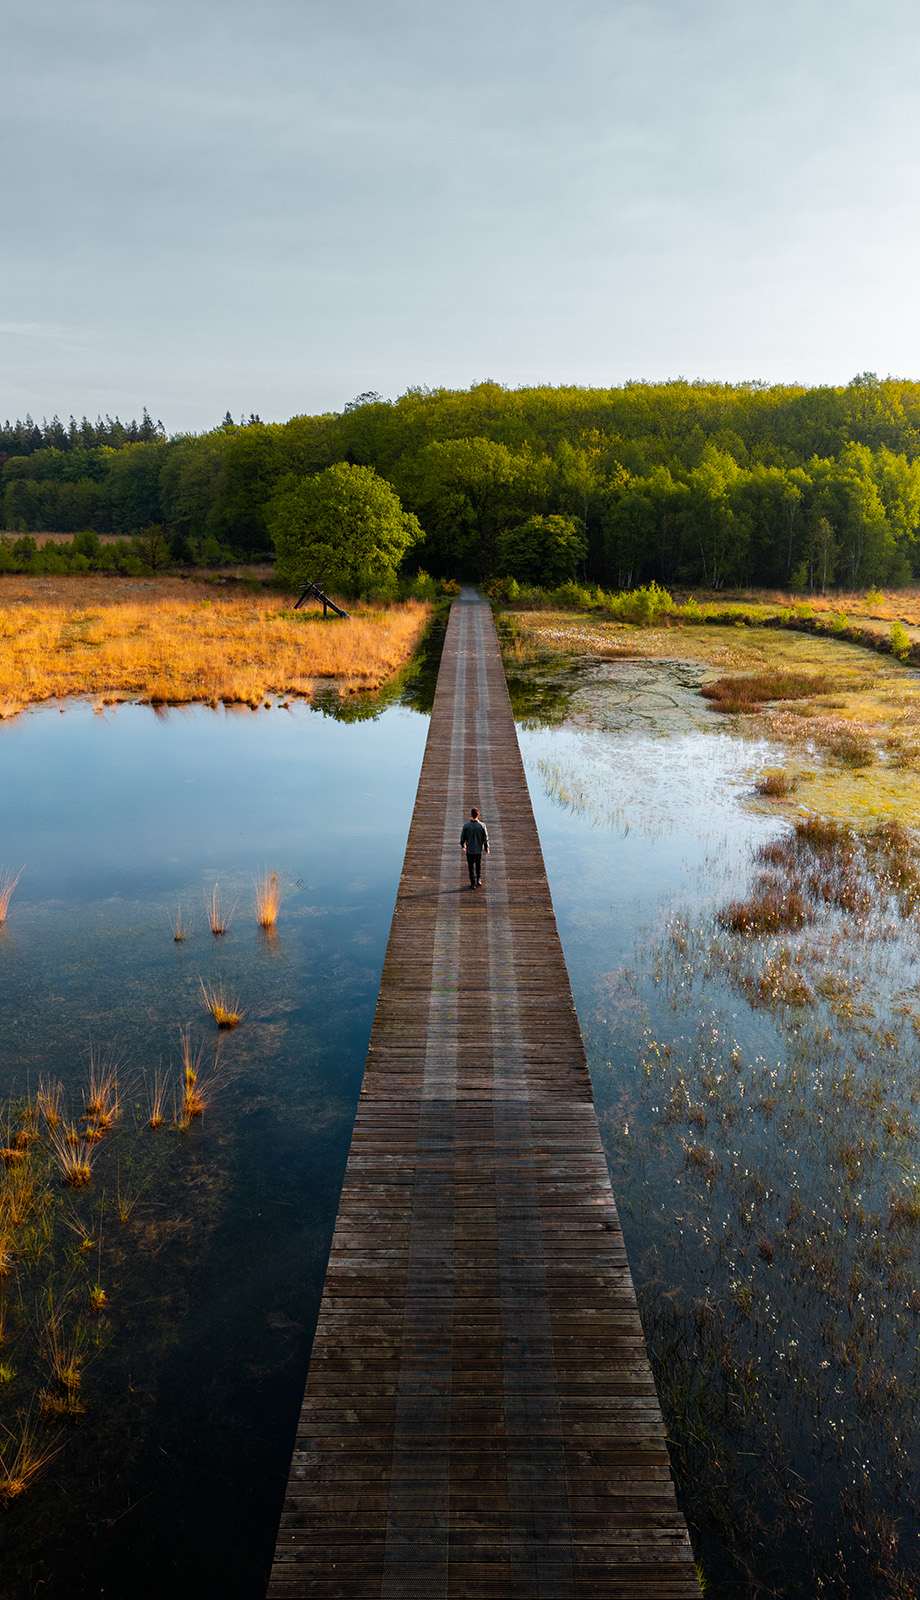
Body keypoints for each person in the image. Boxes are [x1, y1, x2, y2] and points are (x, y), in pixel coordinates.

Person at [460, 806, 489, 888]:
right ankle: (478, 880)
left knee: (471, 867)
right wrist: (487, 849)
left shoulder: (466, 826)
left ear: (471, 815)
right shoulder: (482, 826)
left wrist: (463, 845)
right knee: (478, 866)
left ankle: (473, 883)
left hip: (470, 850)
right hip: (478, 850)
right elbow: (485, 839)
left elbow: (463, 838)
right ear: (478, 815)